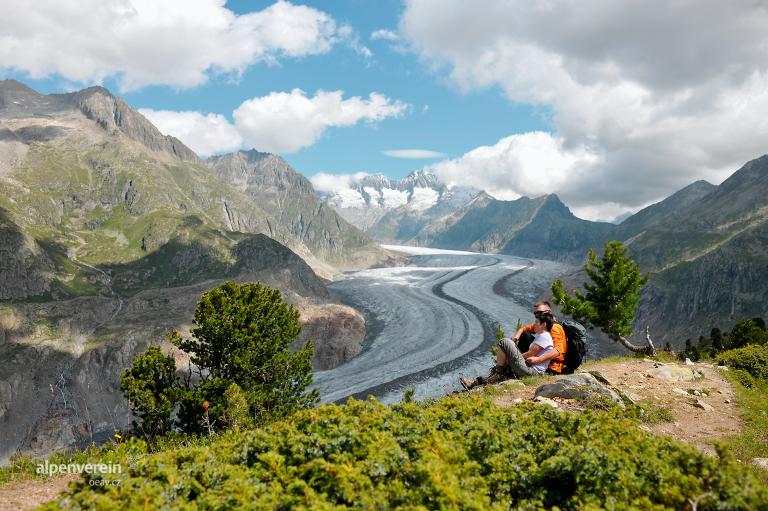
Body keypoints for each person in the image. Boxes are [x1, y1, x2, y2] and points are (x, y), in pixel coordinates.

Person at [459, 301, 567, 390]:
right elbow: (524, 329)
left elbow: (558, 350)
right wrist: (515, 339)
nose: (537, 316)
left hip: (550, 369)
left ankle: (498, 374)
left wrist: (538, 360)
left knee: (504, 343)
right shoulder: (543, 327)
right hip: (537, 366)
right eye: (535, 314)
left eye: (539, 313)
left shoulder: (555, 328)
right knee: (525, 335)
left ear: (548, 312)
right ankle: (494, 376)